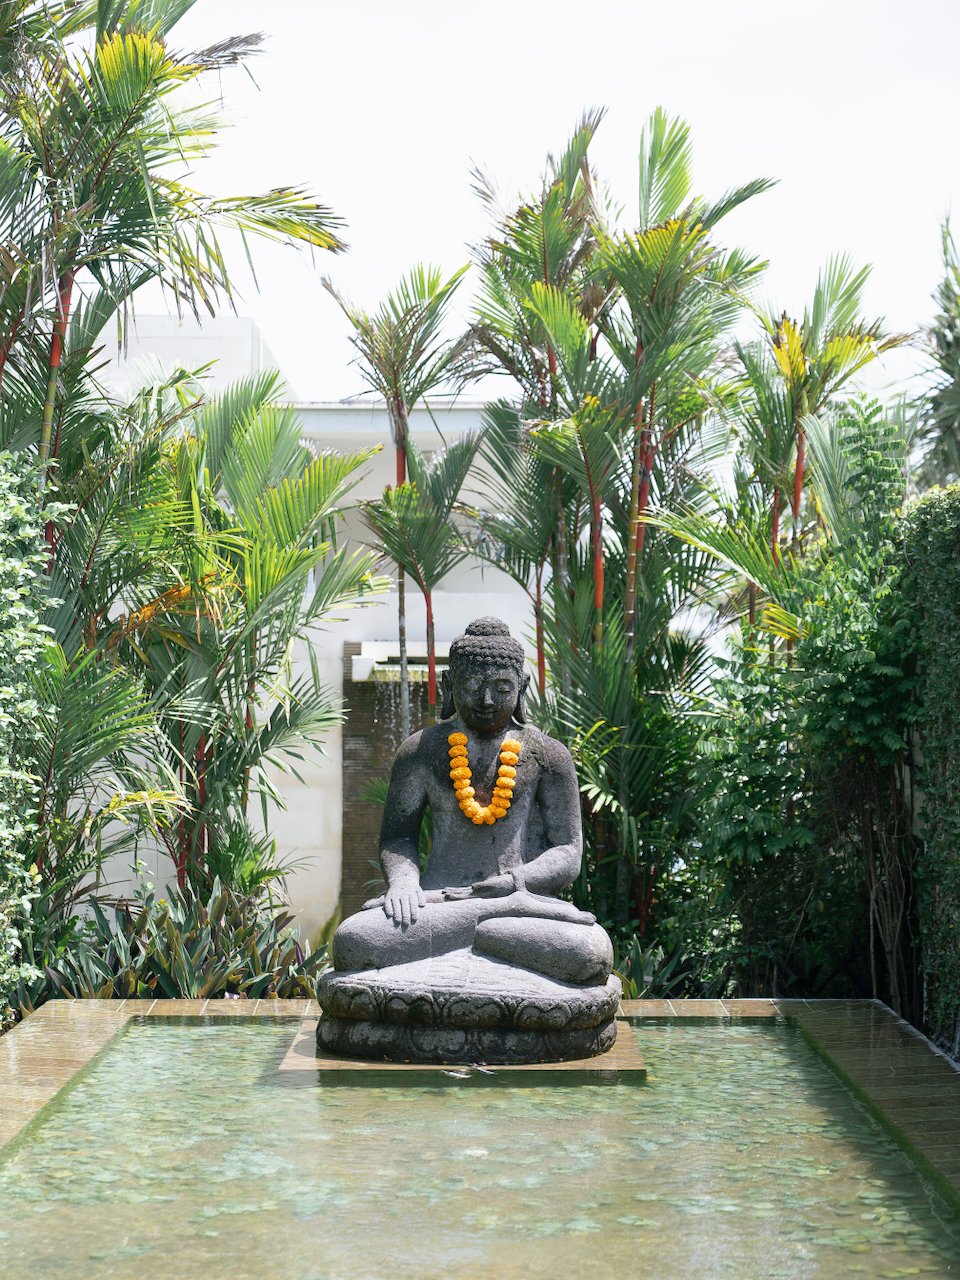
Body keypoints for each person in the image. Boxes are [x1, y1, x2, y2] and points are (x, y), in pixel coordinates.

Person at [331, 617, 613, 987]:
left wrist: (515, 881)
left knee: (588, 951)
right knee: (353, 942)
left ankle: (476, 928)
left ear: (521, 687)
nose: (486, 700)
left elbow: (567, 851)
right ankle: (484, 927)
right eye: (473, 686)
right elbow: (398, 839)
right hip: (436, 902)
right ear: (449, 685)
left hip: (518, 901)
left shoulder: (547, 754)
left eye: (501, 688)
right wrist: (403, 883)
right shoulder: (420, 750)